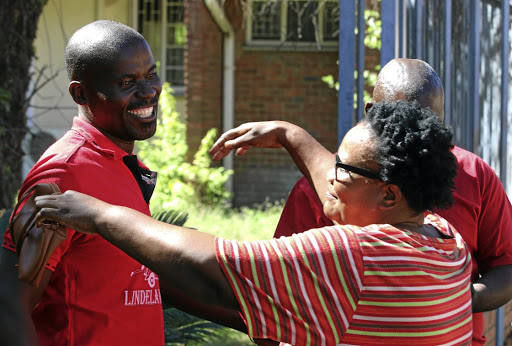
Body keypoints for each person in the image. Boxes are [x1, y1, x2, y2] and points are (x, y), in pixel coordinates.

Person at [35, 101, 473, 345]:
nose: (330, 178)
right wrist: (288, 133)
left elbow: (213, 267)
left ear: (388, 194)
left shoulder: (358, 258)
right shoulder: (442, 238)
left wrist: (97, 213)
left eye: (344, 169)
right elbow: (336, 184)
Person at [271, 58, 512, 345]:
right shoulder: (326, 188)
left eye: (426, 125)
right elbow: (274, 293)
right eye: (399, 121)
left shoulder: (473, 175)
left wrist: (447, 302)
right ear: (371, 113)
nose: (412, 137)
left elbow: (506, 264)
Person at [0, 20, 165, 345]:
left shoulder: (122, 163)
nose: (148, 91)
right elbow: (8, 304)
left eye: (150, 74)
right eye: (127, 82)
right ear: (81, 92)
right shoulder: (64, 172)